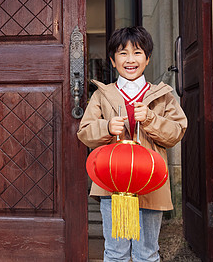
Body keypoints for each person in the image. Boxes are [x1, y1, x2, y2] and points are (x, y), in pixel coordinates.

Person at [77, 26, 187, 262]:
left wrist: (150, 118)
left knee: (147, 253)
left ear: (147, 59)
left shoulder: (162, 95)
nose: (130, 59)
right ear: (112, 60)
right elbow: (85, 132)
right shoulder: (102, 95)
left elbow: (176, 132)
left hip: (150, 182)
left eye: (137, 53)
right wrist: (106, 127)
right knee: (115, 252)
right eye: (122, 53)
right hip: (113, 184)